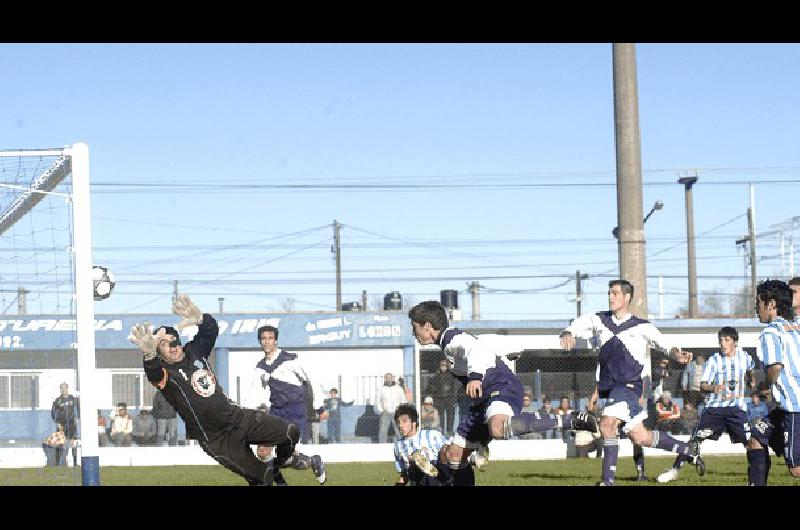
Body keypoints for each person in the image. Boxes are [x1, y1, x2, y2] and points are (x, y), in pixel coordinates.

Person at [128, 294, 326, 486]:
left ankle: (285, 460)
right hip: (217, 438)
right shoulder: (165, 374)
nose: (172, 346)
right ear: (160, 352)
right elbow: (152, 371)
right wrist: (149, 355)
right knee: (263, 478)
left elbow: (210, 331)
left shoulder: (195, 351)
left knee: (291, 432)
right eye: (164, 344)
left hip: (238, 417)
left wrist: (200, 318)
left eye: (174, 340)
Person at [408, 301, 597, 476]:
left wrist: (474, 377)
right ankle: (475, 451)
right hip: (483, 401)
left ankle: (570, 420)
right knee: (454, 456)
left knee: (498, 428)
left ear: (427, 326)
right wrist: (509, 350)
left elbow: (477, 348)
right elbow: (486, 343)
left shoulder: (452, 339)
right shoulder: (449, 343)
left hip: (500, 385)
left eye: (414, 327)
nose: (413, 332)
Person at [560, 279, 700, 486]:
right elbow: (580, 323)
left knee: (607, 424)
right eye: (609, 293)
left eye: (615, 293)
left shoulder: (642, 326)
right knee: (640, 436)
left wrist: (676, 353)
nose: (610, 297)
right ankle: (687, 449)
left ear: (627, 297)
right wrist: (568, 332)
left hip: (630, 386)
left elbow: (665, 344)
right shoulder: (600, 320)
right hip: (611, 388)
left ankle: (607, 482)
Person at [657, 326, 755, 483]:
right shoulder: (714, 360)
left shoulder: (745, 357)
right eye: (721, 340)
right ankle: (674, 469)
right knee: (694, 441)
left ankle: (756, 477)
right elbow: (703, 385)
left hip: (737, 410)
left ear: (735, 342)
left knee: (752, 443)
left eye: (727, 340)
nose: (723, 344)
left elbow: (751, 371)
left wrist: (751, 380)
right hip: (715, 410)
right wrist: (713, 388)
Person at [746, 279, 800, 485]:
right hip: (786, 406)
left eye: (758, 301)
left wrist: (764, 387)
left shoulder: (771, 331)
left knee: (796, 469)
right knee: (756, 439)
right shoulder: (796, 327)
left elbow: (775, 368)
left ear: (771, 304)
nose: (755, 307)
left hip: (795, 408)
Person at [252, 324, 315, 485]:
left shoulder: (290, 359)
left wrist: (318, 406)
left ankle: (314, 461)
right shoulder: (260, 368)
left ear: (276, 341)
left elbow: (311, 379)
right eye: (263, 338)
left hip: (294, 411)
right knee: (263, 451)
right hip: (275, 412)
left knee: (285, 458)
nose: (266, 342)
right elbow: (257, 393)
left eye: (270, 338)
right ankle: (280, 483)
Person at [393, 403, 474, 486]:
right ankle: (421, 465)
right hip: (419, 479)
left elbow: (450, 451)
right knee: (413, 465)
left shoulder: (431, 435)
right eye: (398, 422)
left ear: (414, 422)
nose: (400, 425)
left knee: (445, 452)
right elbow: (404, 473)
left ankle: (427, 466)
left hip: (441, 473)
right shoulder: (398, 446)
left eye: (404, 421)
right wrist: (400, 483)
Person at [425, 359, 459, 436]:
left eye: (444, 365)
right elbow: (431, 387)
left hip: (450, 398)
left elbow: (455, 387)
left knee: (451, 415)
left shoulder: (452, 376)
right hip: (440, 399)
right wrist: (435, 392)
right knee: (441, 416)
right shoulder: (436, 376)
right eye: (441, 365)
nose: (443, 367)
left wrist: (454, 397)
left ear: (447, 366)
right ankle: (442, 430)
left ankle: (450, 430)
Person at [50, 382, 79, 466]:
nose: (63, 390)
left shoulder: (72, 399)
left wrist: (78, 418)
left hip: (71, 424)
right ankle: (59, 463)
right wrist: (56, 422)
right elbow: (52, 412)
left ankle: (75, 463)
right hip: (61, 424)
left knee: (73, 443)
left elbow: (79, 408)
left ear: (67, 388)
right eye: (61, 388)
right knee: (61, 443)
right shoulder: (57, 400)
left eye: (64, 388)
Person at [376, 372, 406, 443]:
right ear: (385, 379)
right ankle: (382, 446)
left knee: (399, 430)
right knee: (383, 431)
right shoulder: (381, 389)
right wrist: (381, 410)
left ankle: (401, 445)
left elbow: (403, 400)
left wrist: (400, 410)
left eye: (390, 377)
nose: (389, 379)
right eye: (387, 378)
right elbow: (377, 402)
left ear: (393, 378)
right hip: (385, 413)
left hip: (397, 413)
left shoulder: (399, 389)